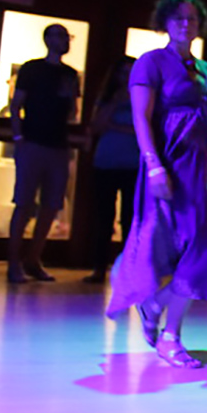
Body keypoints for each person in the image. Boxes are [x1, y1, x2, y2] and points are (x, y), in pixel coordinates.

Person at [106, 0, 207, 367]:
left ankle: (163, 318)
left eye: (192, 18)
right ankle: (162, 321)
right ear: (164, 23)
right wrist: (154, 165)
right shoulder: (150, 63)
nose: (185, 24)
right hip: (168, 165)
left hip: (202, 169)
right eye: (178, 18)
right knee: (165, 241)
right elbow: (141, 119)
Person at [7, 23, 79, 283]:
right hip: (33, 142)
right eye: (60, 36)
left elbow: (72, 111)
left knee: (51, 205)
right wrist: (18, 137)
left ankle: (33, 259)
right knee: (24, 203)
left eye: (67, 37)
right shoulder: (32, 69)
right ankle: (13, 263)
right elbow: (16, 104)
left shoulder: (71, 74)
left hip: (58, 145)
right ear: (48, 39)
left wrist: (69, 101)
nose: (65, 41)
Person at [83, 57, 139, 284]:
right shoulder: (107, 97)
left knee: (130, 218)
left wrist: (115, 126)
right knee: (104, 218)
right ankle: (98, 268)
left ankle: (128, 269)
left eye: (130, 72)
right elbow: (96, 125)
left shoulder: (143, 96)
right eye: (122, 73)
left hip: (133, 164)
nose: (126, 78)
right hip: (106, 162)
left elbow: (142, 129)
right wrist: (115, 102)